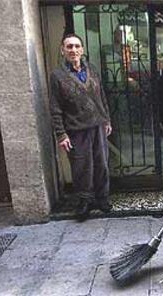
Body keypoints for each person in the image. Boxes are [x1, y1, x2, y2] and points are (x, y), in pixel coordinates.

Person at [49, 33, 112, 221]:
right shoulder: (57, 75)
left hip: (98, 126)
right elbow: (55, 106)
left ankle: (102, 198)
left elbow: (102, 98)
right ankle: (84, 202)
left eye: (77, 46)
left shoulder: (92, 69)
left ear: (82, 50)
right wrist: (61, 134)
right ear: (62, 50)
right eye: (69, 47)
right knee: (81, 167)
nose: (73, 50)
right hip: (75, 129)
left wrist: (107, 119)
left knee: (101, 165)